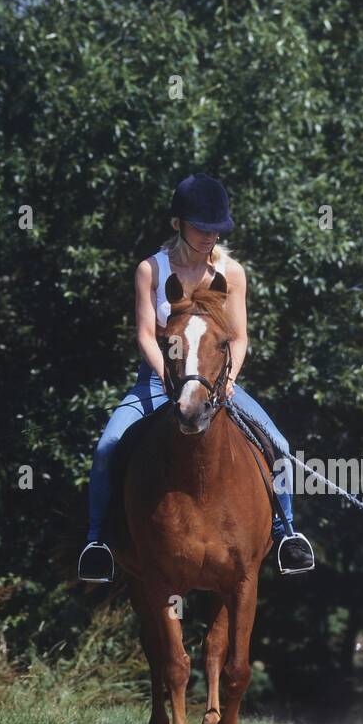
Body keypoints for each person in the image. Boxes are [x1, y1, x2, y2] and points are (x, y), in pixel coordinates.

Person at [77, 173, 315, 582]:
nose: (209, 237)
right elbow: (146, 336)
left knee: (278, 443)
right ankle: (98, 541)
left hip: (215, 383)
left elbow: (238, 338)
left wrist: (227, 381)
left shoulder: (232, 273)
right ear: (178, 224)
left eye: (216, 230)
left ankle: (285, 532)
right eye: (201, 229)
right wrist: (169, 380)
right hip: (159, 380)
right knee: (107, 447)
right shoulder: (151, 269)